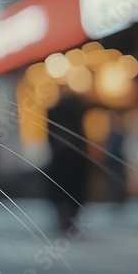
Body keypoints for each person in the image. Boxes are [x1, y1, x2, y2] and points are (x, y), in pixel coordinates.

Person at [45, 91, 90, 234]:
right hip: (71, 163)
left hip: (66, 163)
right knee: (71, 196)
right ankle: (68, 222)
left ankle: (66, 222)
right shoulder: (74, 117)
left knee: (65, 196)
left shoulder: (54, 115)